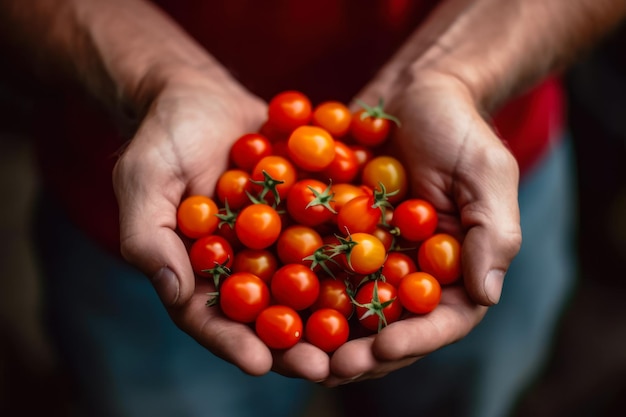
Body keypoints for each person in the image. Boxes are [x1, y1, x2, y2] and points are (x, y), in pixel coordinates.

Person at [0, 0, 624, 416]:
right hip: (137, 208)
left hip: (478, 180)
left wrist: (454, 76)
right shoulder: (295, 219)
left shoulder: (341, 220)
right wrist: (156, 77)